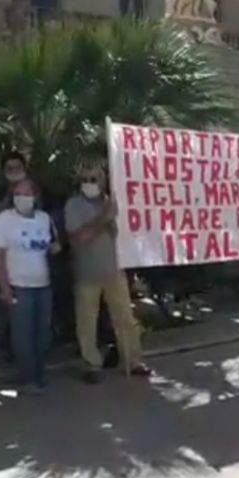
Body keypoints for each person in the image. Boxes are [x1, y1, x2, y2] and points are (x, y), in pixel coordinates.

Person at [64, 162, 153, 384]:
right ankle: (91, 364)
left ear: (103, 181)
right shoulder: (73, 206)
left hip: (116, 270)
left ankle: (133, 360)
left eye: (94, 179)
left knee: (125, 317)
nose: (89, 184)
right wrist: (104, 218)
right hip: (87, 273)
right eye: (85, 179)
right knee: (87, 322)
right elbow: (78, 239)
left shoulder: (115, 203)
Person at [0, 178, 60, 392]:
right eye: (18, 194)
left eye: (27, 193)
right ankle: (27, 378)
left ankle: (40, 373)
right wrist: (4, 287)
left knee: (42, 333)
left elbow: (54, 245)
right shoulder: (4, 220)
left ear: (36, 196)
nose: (23, 198)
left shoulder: (44, 218)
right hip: (19, 284)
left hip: (43, 284)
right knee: (22, 335)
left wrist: (55, 248)